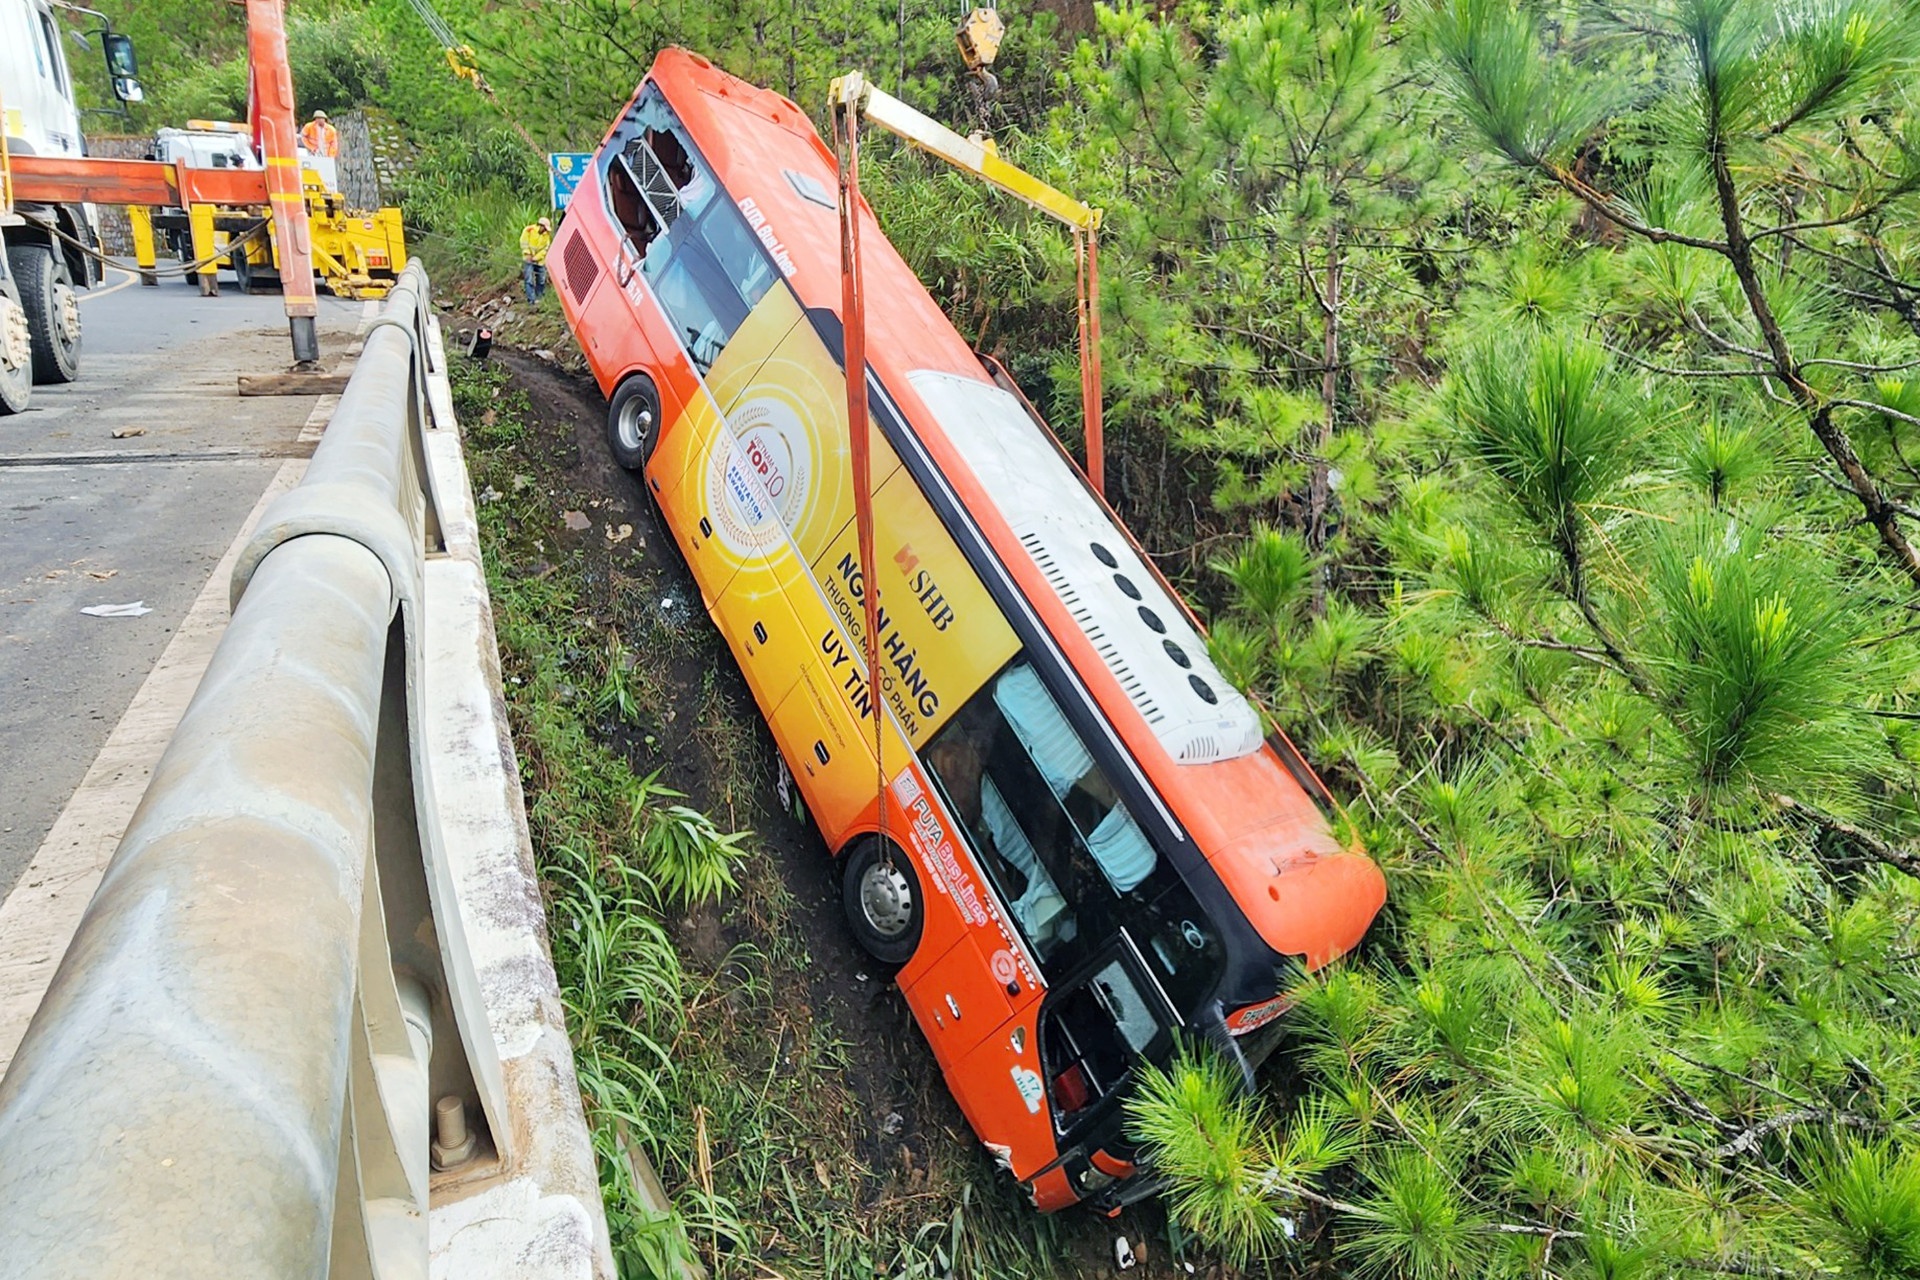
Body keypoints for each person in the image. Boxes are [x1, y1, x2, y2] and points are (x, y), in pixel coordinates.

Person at [519, 215, 553, 303]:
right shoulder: (528, 230)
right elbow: (523, 243)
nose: (545, 230)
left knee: (541, 279)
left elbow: (545, 249)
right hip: (528, 259)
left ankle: (540, 298)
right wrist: (528, 254)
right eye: (544, 228)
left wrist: (536, 258)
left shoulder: (546, 235)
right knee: (529, 279)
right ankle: (531, 300)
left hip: (539, 261)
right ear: (540, 225)